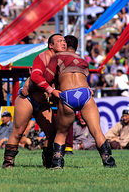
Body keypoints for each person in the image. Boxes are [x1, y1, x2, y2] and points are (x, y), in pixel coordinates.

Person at [42, 35, 116, 169]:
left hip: (67, 95)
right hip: (85, 94)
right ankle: (109, 162)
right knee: (97, 130)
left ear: (64, 45)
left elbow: (47, 78)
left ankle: (57, 164)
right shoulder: (83, 60)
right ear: (76, 46)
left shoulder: (56, 57)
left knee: (61, 133)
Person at [2, 33, 67, 169]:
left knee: (52, 132)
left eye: (65, 41)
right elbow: (36, 76)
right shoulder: (43, 56)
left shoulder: (62, 61)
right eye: (60, 41)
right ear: (51, 45)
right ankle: (8, 164)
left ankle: (48, 163)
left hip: (43, 103)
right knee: (18, 131)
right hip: (28, 99)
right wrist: (51, 90)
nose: (63, 43)